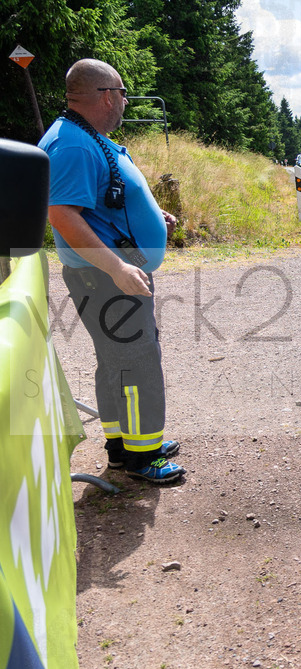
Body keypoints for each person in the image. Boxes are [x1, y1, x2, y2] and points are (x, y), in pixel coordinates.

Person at [39, 58, 185, 483]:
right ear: (105, 95)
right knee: (135, 361)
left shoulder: (84, 136)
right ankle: (143, 457)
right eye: (122, 92)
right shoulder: (73, 144)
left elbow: (102, 201)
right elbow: (62, 214)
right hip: (104, 277)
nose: (125, 101)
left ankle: (124, 446)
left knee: (117, 361)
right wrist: (119, 267)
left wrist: (153, 214)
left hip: (107, 274)